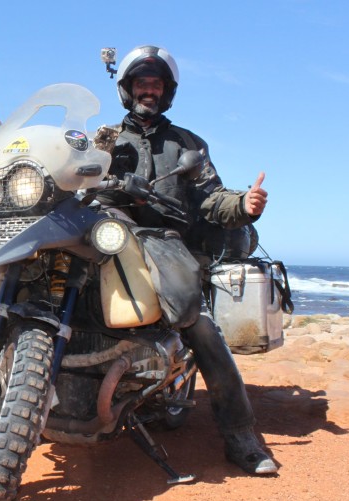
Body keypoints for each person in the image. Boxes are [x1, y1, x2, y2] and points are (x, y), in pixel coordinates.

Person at [101, 45, 277, 475]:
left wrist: (244, 204)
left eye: (156, 84)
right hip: (106, 238)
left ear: (167, 92)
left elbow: (212, 198)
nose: (149, 91)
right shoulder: (103, 138)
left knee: (199, 325)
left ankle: (240, 436)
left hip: (165, 242)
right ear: (127, 88)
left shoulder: (187, 143)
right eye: (142, 83)